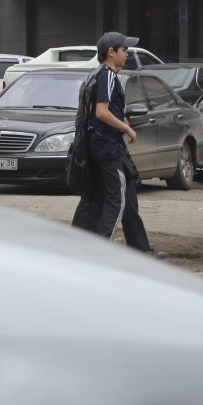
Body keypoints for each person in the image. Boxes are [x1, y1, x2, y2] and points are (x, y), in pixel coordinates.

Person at [70, 32, 164, 259]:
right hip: (108, 146)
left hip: (98, 146)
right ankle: (102, 253)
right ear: (111, 52)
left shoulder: (95, 75)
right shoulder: (108, 76)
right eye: (124, 50)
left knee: (110, 193)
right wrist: (126, 127)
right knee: (117, 199)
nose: (127, 54)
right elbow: (101, 112)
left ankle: (139, 249)